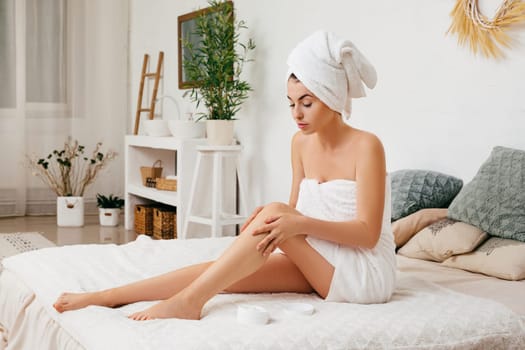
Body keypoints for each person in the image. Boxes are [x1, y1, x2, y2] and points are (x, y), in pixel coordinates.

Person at [53, 30, 396, 321]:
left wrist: (290, 224)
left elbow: (366, 235)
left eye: (307, 103)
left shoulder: (367, 146)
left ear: (332, 97)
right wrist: (266, 236)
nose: (297, 114)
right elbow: (294, 211)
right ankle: (109, 295)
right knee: (222, 271)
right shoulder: (299, 144)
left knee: (271, 216)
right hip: (321, 256)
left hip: (360, 273)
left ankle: (189, 303)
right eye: (291, 103)